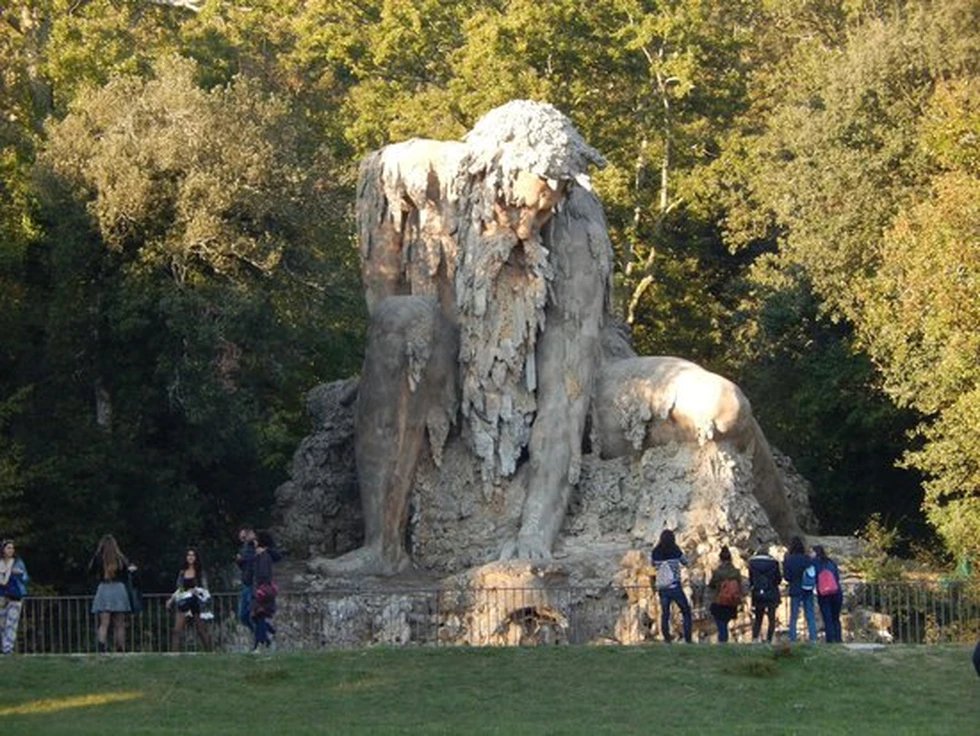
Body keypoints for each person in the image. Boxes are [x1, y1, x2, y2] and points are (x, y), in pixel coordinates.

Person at [89, 534, 136, 653]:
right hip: (119, 589)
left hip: (104, 588)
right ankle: (120, 648)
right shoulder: (120, 558)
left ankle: (101, 646)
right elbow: (126, 575)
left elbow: (91, 572)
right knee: (119, 623)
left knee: (104, 623)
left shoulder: (98, 558)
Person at [165, 547, 212, 652]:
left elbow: (205, 589)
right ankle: (174, 653)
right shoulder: (182, 572)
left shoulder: (200, 572)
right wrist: (171, 599)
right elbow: (180, 588)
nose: (190, 557)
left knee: (201, 629)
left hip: (197, 602)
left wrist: (196, 590)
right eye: (188, 555)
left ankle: (209, 651)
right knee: (177, 629)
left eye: (193, 555)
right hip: (184, 600)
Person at [651, 529, 692, 643]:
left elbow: (653, 564)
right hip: (675, 586)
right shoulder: (675, 550)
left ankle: (667, 638)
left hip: (663, 588)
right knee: (685, 611)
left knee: (665, 614)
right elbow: (685, 562)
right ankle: (688, 638)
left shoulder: (656, 551)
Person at [250, 530, 281, 652]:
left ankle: (261, 643)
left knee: (259, 616)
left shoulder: (263, 556)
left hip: (262, 590)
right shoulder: (261, 555)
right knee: (258, 617)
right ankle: (265, 638)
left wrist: (259, 586)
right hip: (263, 589)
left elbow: (263, 574)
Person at [783, 536, 817, 642]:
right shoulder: (807, 559)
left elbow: (787, 577)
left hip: (795, 589)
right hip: (807, 588)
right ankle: (813, 638)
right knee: (810, 614)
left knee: (793, 616)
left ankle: (792, 638)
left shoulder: (788, 560)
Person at [707, 546, 743, 643]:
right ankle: (724, 641)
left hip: (719, 601)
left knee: (720, 623)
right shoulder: (736, 572)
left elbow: (711, 585)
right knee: (725, 622)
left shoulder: (717, 572)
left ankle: (722, 642)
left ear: (720, 559)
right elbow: (740, 586)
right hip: (731, 601)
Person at [748, 546, 782, 643]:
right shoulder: (774, 563)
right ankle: (769, 639)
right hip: (771, 592)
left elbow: (751, 579)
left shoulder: (752, 563)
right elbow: (778, 579)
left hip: (758, 592)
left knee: (758, 617)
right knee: (771, 618)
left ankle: (755, 638)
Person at [0, 540, 29, 654]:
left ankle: (8, 648)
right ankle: (3, 646)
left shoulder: (17, 562)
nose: (11, 550)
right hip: (1, 596)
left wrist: (20, 574)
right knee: (1, 624)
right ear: (3, 549)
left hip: (15, 596)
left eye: (12, 548)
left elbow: (26, 578)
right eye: (8, 548)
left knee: (11, 623)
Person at [812, 544, 843, 643]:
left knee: (827, 617)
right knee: (836, 617)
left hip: (824, 593)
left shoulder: (814, 563)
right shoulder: (831, 562)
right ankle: (838, 638)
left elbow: (812, 577)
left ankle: (830, 639)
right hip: (836, 591)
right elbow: (836, 577)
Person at [235, 525, 256, 632]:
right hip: (246, 583)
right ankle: (259, 635)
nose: (243, 540)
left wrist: (242, 559)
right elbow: (244, 567)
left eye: (244, 537)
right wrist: (239, 561)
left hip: (254, 584)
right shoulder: (243, 549)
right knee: (243, 615)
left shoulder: (256, 546)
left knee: (254, 614)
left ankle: (260, 640)